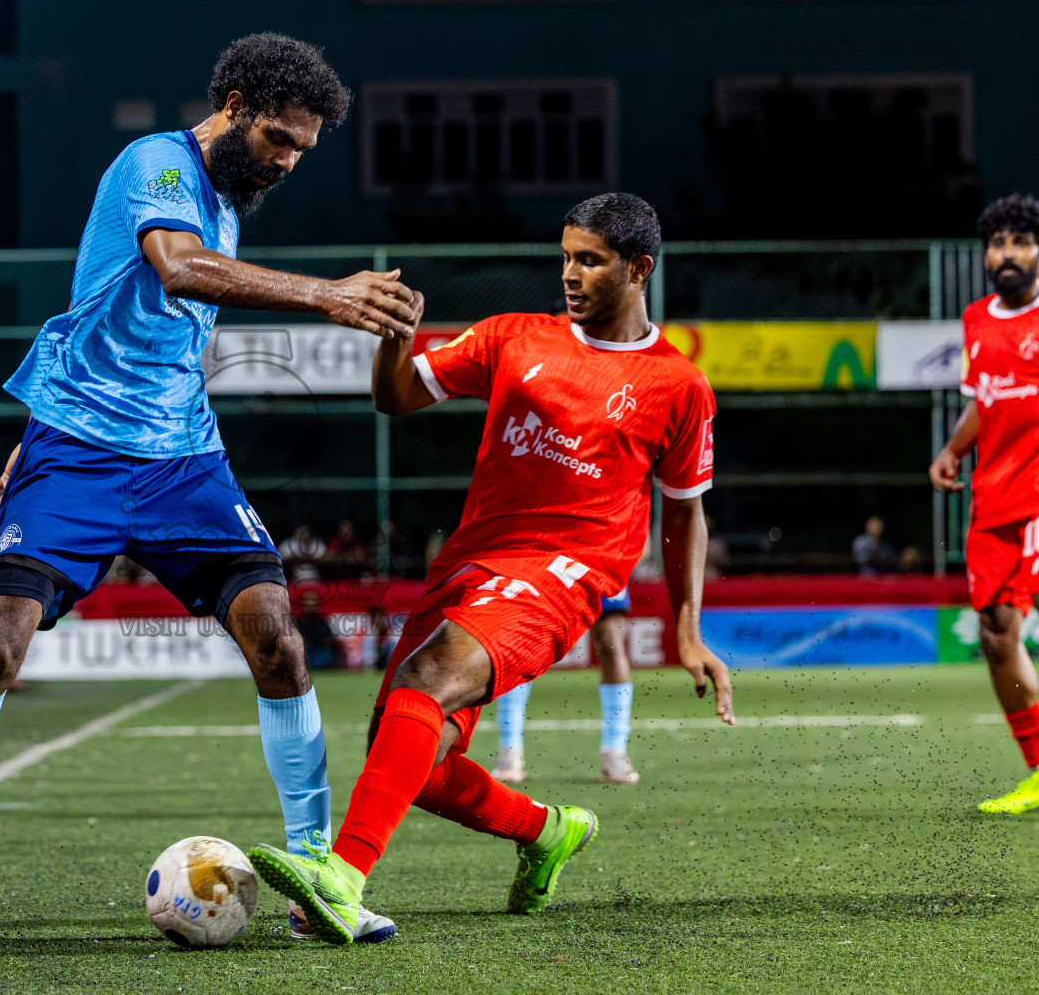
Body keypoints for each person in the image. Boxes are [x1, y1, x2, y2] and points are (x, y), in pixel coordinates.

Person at [0, 33, 419, 948]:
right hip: (82, 458)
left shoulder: (229, 201)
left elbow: (116, 323)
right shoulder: (158, 163)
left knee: (279, 639)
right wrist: (329, 297)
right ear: (230, 103)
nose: (288, 162)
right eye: (277, 139)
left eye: (302, 149)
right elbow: (174, 268)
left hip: (181, 455)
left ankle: (316, 878)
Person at [248, 193, 734, 944]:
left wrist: (688, 628)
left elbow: (685, 512)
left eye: (591, 260)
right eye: (566, 256)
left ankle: (340, 880)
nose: (570, 274)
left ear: (638, 269)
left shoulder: (680, 386)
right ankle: (548, 830)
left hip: (565, 573)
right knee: (411, 752)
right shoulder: (514, 337)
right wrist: (395, 340)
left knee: (426, 680)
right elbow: (397, 397)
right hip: (471, 562)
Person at [930, 193, 1039, 815]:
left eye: (1020, 241)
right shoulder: (977, 319)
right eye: (997, 243)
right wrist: (952, 451)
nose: (1006, 254)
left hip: (1035, 497)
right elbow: (984, 399)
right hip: (992, 497)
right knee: (998, 635)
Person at [493, 587, 640, 786]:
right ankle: (510, 751)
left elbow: (642, 553)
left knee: (609, 640)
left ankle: (615, 751)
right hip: (541, 558)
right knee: (522, 638)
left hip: (597, 559)